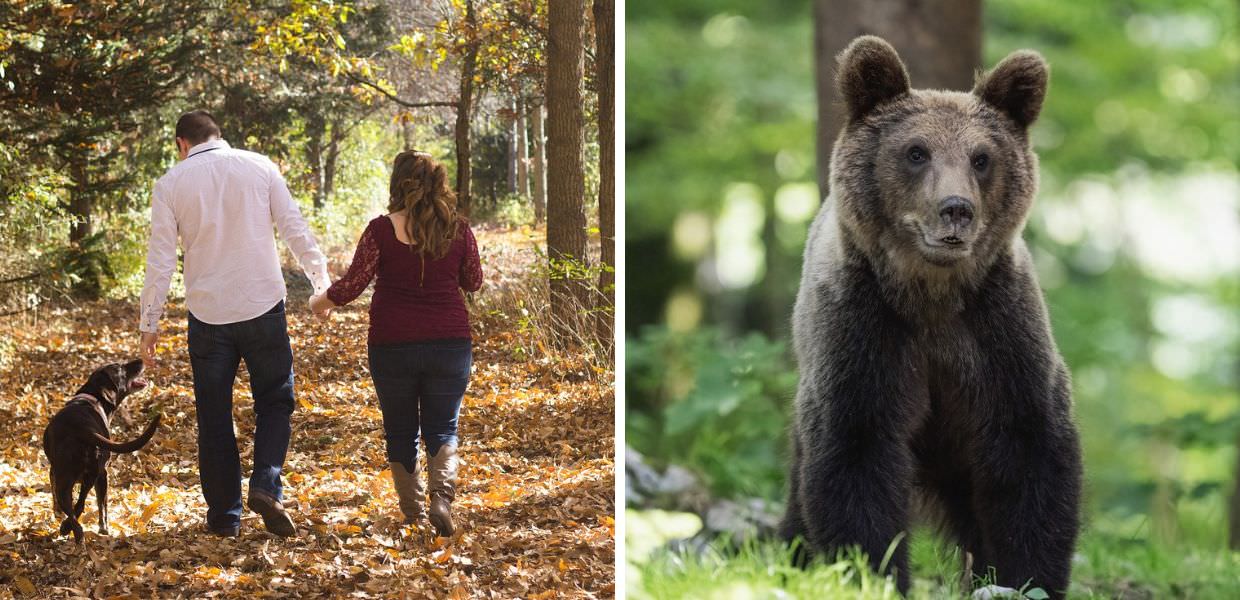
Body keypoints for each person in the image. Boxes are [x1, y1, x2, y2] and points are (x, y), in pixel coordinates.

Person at [138, 110, 330, 538]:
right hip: (263, 307)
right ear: (217, 135)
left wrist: (149, 322)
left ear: (181, 143)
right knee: (275, 401)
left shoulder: (170, 184)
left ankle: (225, 518)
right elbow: (294, 228)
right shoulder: (259, 166)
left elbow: (161, 259)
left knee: (214, 415)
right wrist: (322, 284)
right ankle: (265, 484)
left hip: (208, 316)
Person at [309, 150, 482, 537]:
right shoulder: (457, 228)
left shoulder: (381, 230)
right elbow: (473, 281)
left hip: (393, 344)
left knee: (400, 429)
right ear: (439, 183)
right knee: (443, 426)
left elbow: (352, 285)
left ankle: (413, 513)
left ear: (397, 183)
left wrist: (318, 303)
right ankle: (442, 499)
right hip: (449, 343)